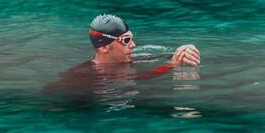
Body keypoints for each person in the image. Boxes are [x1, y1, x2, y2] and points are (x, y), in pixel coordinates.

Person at [44, 14, 200, 93]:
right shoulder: (89, 75)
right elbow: (139, 78)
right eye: (126, 40)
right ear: (104, 47)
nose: (133, 45)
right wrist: (170, 66)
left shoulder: (124, 59)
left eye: (132, 39)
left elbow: (162, 57)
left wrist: (183, 49)